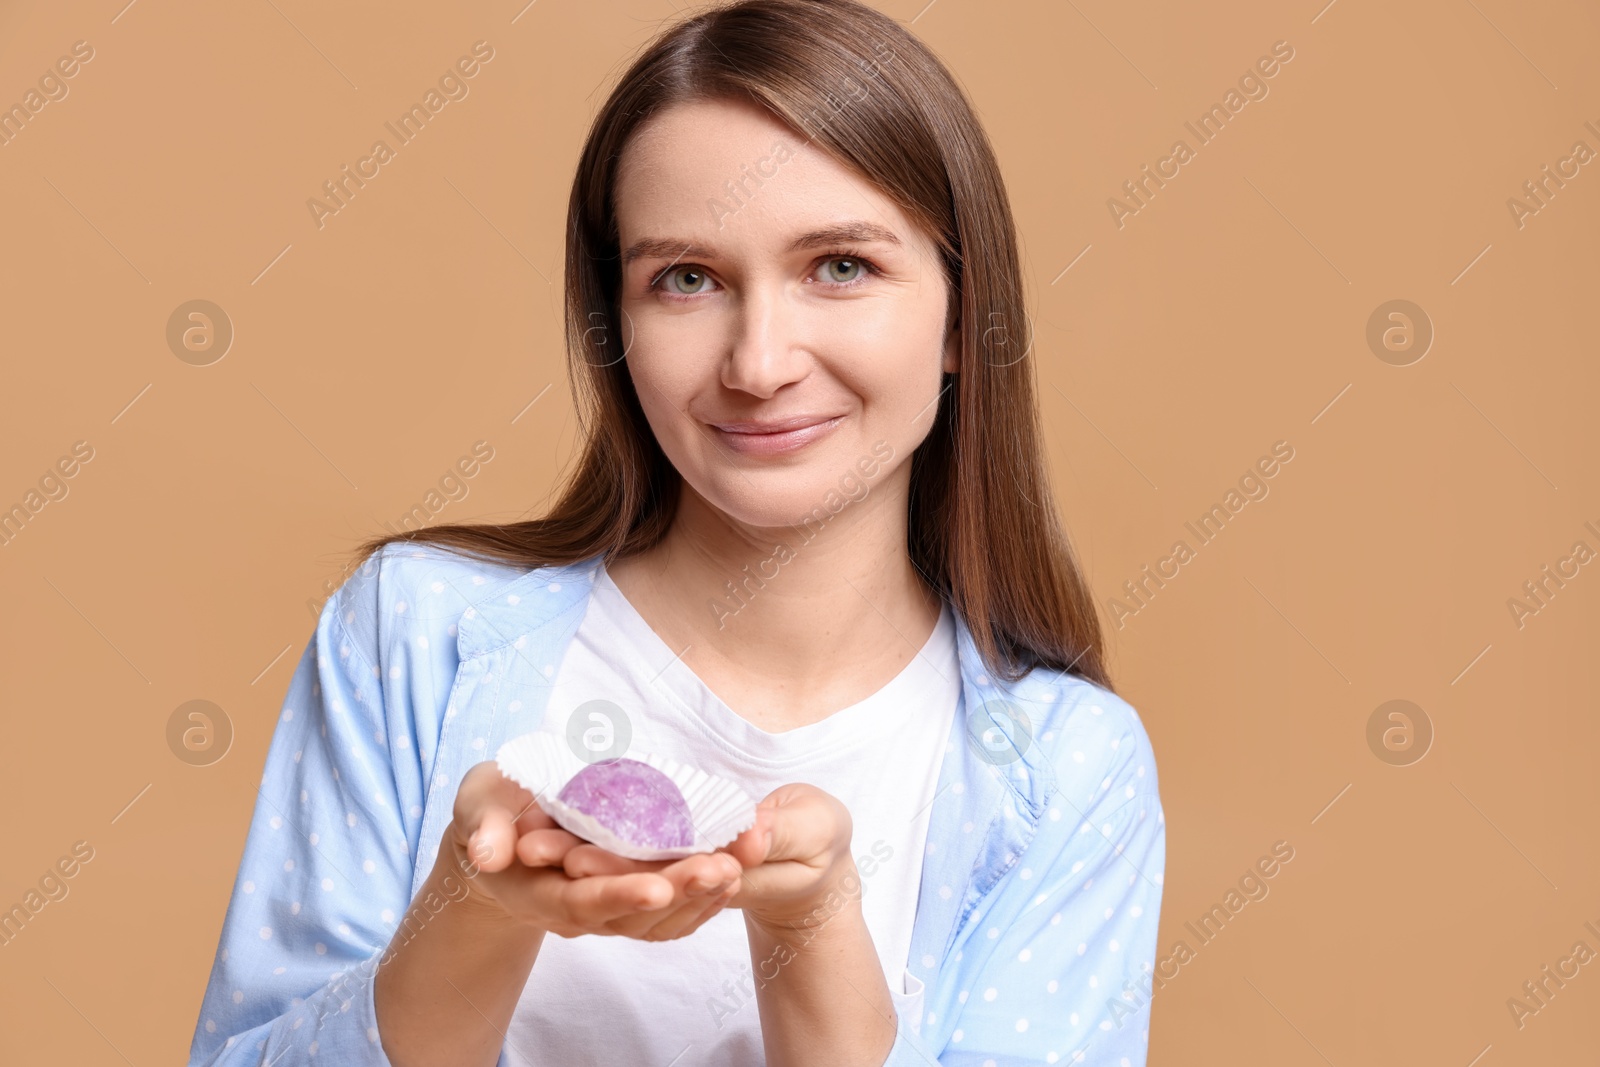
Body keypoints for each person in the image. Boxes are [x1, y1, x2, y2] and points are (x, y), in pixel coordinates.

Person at [186, 1, 1165, 1064]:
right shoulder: (416, 632)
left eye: (840, 266)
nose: (758, 362)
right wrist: (473, 907)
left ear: (962, 319)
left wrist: (812, 931)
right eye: (686, 279)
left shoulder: (1064, 768)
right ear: (616, 329)